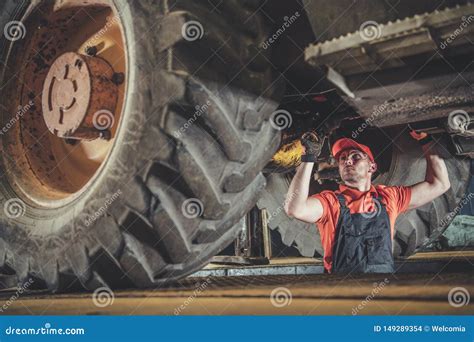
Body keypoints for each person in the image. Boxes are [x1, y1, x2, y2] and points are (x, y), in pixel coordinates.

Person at [284, 132, 451, 274]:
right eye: (342, 159)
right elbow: (295, 208)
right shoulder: (330, 202)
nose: (347, 161)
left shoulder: (389, 197)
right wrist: (309, 158)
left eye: (355, 156)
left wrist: (425, 139)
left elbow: (439, 184)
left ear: (372, 166)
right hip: (341, 290)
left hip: (381, 289)